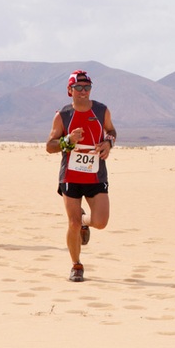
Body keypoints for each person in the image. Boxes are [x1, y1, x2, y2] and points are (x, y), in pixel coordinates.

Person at [46, 70, 117, 282]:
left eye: (87, 87)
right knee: (72, 223)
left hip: (96, 176)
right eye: (78, 88)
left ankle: (86, 221)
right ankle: (76, 265)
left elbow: (111, 131)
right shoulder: (63, 116)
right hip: (70, 177)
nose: (83, 92)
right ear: (70, 90)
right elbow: (49, 146)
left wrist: (108, 144)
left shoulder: (101, 111)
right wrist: (67, 140)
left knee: (101, 222)